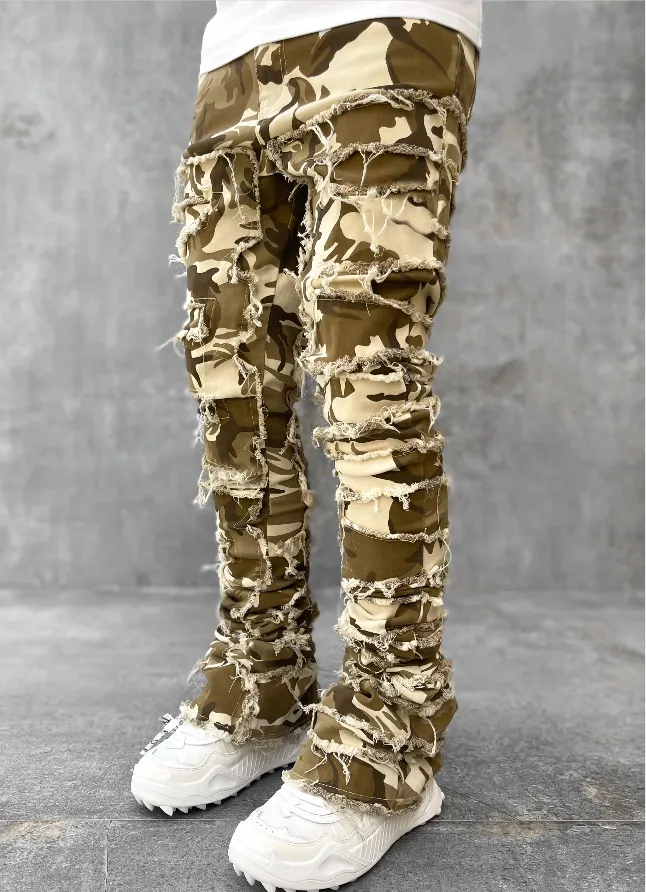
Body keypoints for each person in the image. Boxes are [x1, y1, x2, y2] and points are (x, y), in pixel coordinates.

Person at [132, 1, 482, 887]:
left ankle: (392, 733)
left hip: (390, 29)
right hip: (235, 54)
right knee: (234, 391)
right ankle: (267, 679)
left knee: (370, 386)